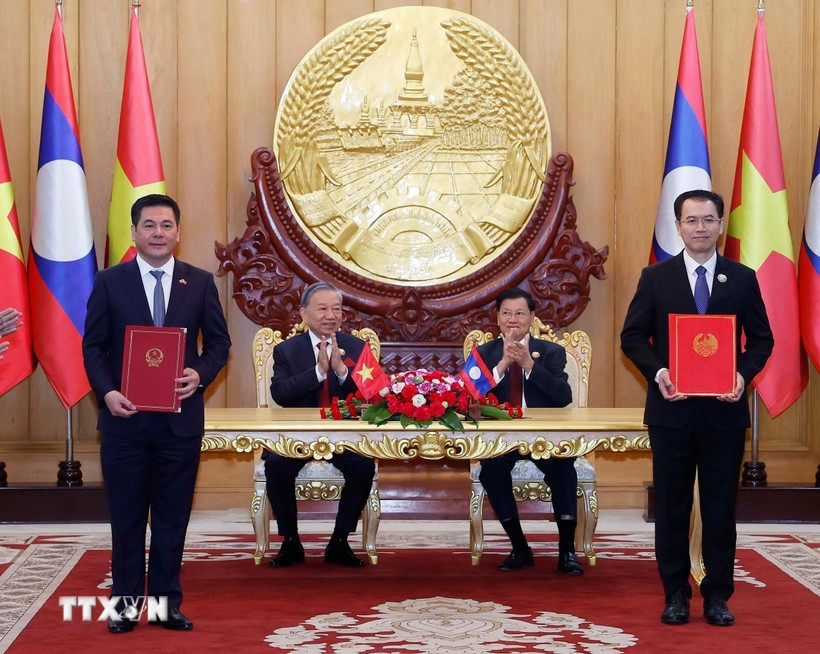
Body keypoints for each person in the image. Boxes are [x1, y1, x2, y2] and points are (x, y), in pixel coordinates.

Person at [621, 189, 773, 627]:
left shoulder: (742, 278)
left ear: (721, 225)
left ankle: (718, 595)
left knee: (720, 508)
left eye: (708, 220)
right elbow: (632, 337)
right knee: (671, 505)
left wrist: (743, 374)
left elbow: (762, 341)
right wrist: (659, 371)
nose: (701, 228)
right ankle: (675, 594)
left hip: (725, 415)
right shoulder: (656, 277)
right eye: (691, 220)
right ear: (678, 225)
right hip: (672, 412)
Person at [83, 194, 231, 634]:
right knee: (127, 519)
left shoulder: (200, 282)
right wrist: (107, 392)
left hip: (179, 423)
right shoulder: (110, 281)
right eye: (149, 225)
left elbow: (219, 346)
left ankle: (167, 606)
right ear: (134, 232)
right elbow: (92, 346)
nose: (158, 233)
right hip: (124, 422)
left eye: (166, 225)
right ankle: (125, 607)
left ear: (178, 232)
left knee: (172, 519)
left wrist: (198, 375)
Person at [264, 282, 376, 569]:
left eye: (336, 309)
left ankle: (339, 541)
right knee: (276, 465)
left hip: (344, 435)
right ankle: (290, 542)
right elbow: (280, 393)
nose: (331, 315)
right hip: (298, 435)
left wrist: (340, 372)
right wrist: (318, 371)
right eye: (323, 308)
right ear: (303, 314)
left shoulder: (356, 347)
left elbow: (373, 395)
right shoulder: (287, 351)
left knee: (363, 466)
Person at [475, 288, 583, 575]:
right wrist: (502, 365)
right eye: (506, 313)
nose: (513, 319)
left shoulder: (551, 352)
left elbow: (563, 396)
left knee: (563, 467)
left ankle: (567, 551)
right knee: (491, 470)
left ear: (532, 318)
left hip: (544, 437)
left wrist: (528, 365)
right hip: (500, 440)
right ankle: (520, 547)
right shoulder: (483, 353)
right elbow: (469, 396)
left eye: (520, 313)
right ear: (497, 318)